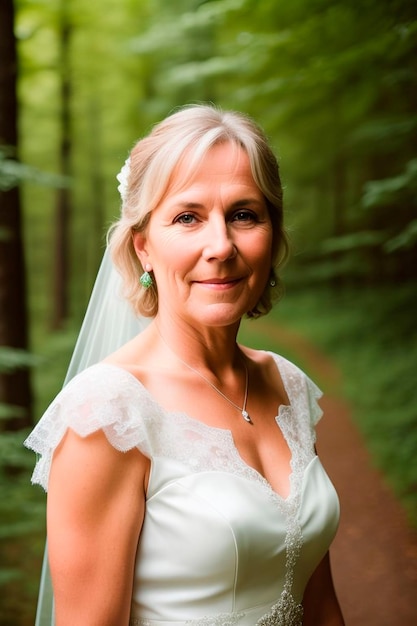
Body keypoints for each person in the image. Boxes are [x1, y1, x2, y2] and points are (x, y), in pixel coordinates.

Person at [25, 104, 345, 626]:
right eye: (187, 217)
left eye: (244, 214)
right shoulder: (108, 415)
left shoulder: (287, 385)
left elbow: (320, 601)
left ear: (272, 233)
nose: (220, 246)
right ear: (144, 246)